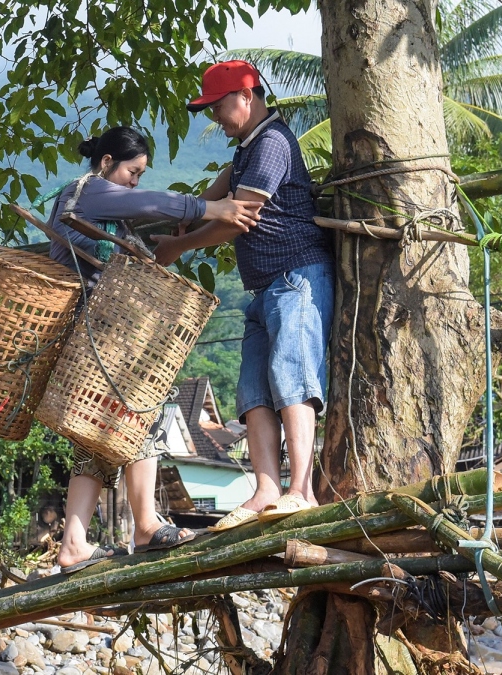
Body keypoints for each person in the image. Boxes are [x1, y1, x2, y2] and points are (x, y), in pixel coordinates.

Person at [46, 126, 263, 571]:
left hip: (105, 336)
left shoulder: (106, 210)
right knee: (135, 417)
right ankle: (143, 525)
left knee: (104, 436)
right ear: (106, 162)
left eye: (140, 174)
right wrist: (210, 207)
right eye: (132, 171)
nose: (135, 182)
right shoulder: (86, 192)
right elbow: (151, 203)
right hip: (95, 336)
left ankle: (75, 542)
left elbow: (146, 218)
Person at [151, 60, 335, 530]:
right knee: (254, 391)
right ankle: (266, 488)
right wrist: (187, 215)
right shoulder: (247, 152)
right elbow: (219, 195)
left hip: (295, 277)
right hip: (263, 287)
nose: (214, 117)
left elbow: (238, 215)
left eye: (218, 106)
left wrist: (178, 245)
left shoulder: (272, 144)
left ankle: (301, 490)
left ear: (245, 97)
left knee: (291, 376)